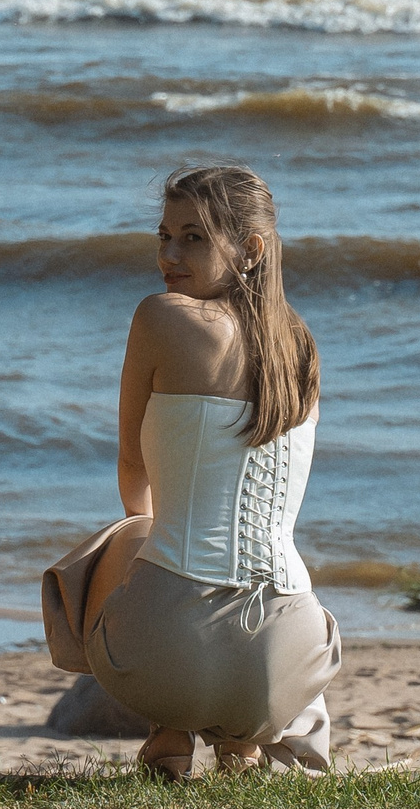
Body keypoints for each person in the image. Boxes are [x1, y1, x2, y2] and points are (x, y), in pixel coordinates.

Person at [51, 163, 340, 778]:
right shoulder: (302, 344)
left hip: (166, 655)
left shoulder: (161, 317)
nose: (169, 254)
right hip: (289, 652)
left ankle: (169, 735)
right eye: (163, 236)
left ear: (251, 249)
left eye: (194, 237)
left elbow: (133, 476)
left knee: (132, 536)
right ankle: (239, 741)